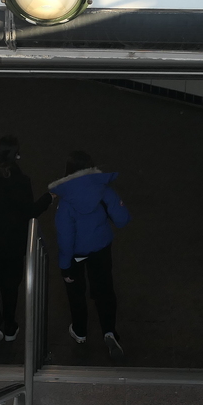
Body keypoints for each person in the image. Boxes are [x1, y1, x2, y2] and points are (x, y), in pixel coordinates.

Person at [0, 135, 52, 353]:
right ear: (17, 155)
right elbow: (30, 213)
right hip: (13, 246)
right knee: (10, 286)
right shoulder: (22, 182)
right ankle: (10, 326)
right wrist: (48, 199)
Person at [49, 150, 131, 357]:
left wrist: (64, 266)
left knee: (76, 292)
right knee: (104, 288)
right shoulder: (104, 190)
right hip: (101, 248)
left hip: (77, 254)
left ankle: (80, 331)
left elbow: (65, 238)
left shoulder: (66, 202)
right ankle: (109, 332)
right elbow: (122, 219)